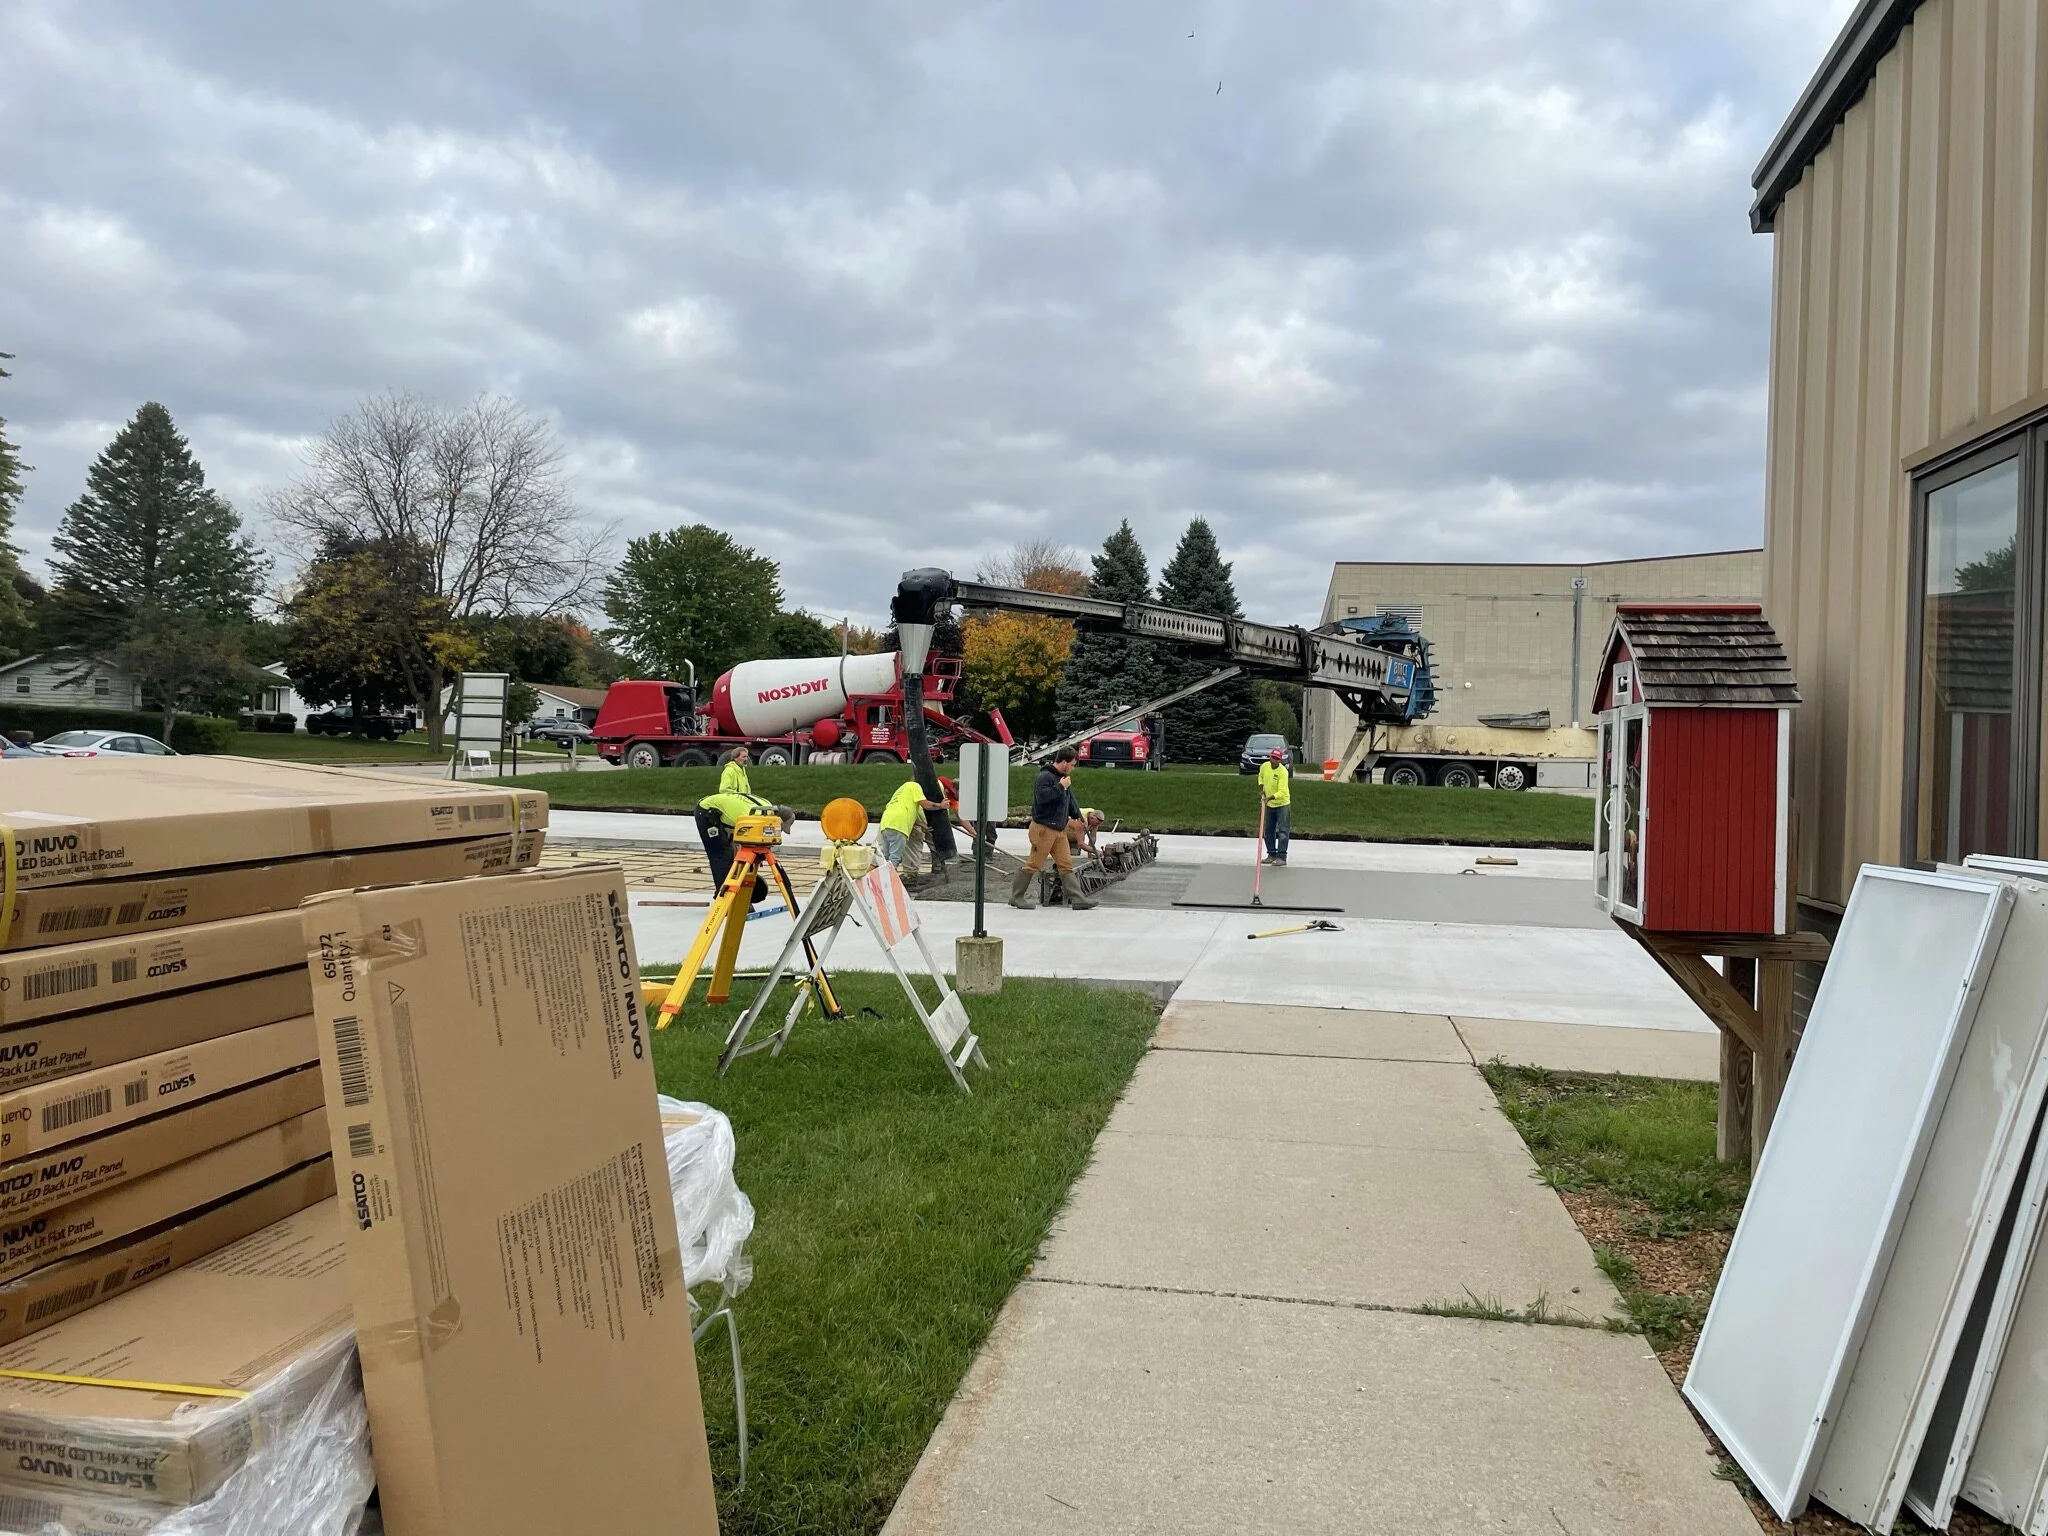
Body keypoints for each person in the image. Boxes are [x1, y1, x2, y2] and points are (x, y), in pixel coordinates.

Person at [1011, 748, 1098, 910]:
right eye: (1072, 764)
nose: (1073, 767)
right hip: (1044, 829)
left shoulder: (1062, 778)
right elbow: (1042, 798)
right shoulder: (1045, 777)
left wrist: (1078, 816)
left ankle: (1078, 899)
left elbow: (1069, 801)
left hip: (1059, 829)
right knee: (1034, 864)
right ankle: (1016, 897)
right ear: (1064, 762)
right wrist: (1060, 786)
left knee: (1065, 864)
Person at [694, 788, 788, 905]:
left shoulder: (766, 808)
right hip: (708, 812)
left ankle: (731, 892)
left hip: (726, 814)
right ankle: (725, 899)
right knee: (723, 855)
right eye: (780, 828)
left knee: (733, 854)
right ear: (776, 820)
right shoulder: (756, 816)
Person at [878, 776, 941, 869]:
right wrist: (941, 805)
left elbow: (909, 812)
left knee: (885, 857)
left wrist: (923, 825)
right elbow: (925, 804)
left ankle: (881, 878)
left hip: (886, 823)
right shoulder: (915, 786)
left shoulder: (902, 790)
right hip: (899, 826)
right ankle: (887, 881)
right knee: (895, 859)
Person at [1257, 745, 1292, 865]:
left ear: (1280, 760)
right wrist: (1262, 788)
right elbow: (1261, 777)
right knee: (1268, 830)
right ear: (1270, 757)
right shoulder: (1264, 767)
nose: (1274, 760)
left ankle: (1282, 857)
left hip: (1282, 804)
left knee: (1283, 831)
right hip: (1269, 804)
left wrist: (1269, 798)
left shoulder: (1283, 772)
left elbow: (1282, 792)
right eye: (1273, 758)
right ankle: (1271, 854)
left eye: (1277, 759)